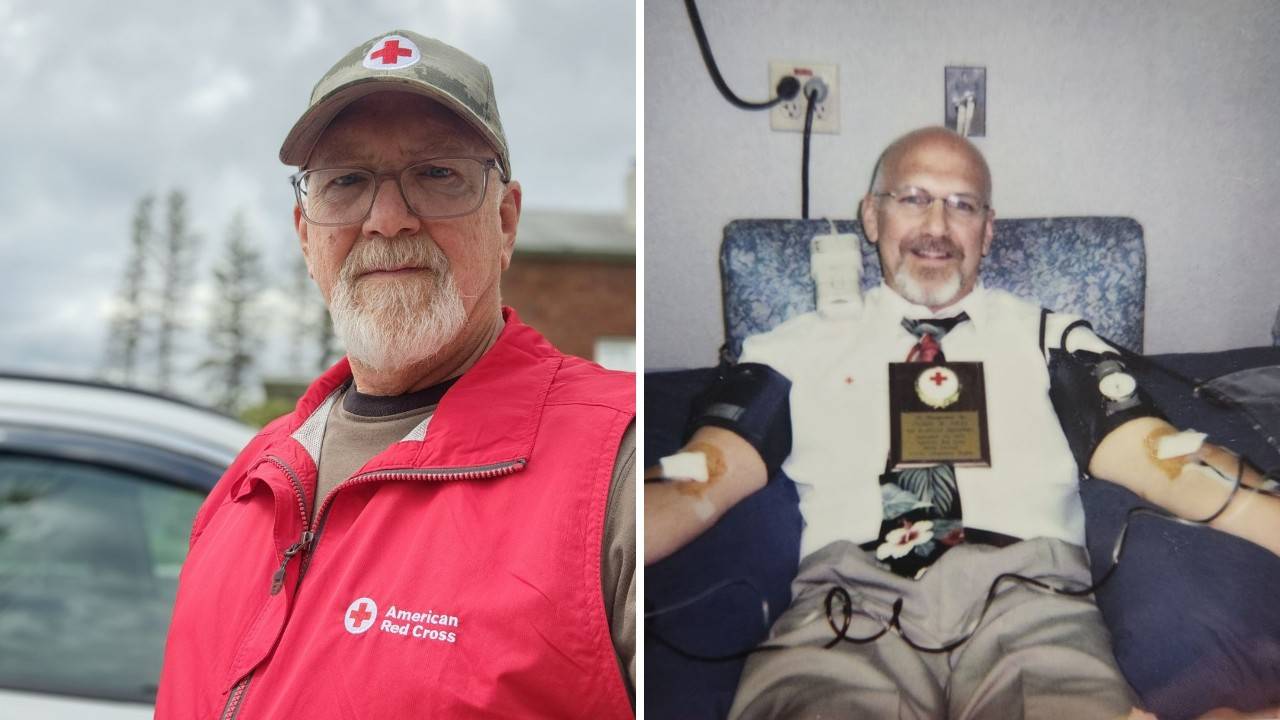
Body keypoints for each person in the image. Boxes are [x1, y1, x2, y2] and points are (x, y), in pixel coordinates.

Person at [645, 127, 1280, 719]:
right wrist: (588, 537)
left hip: (1029, 597)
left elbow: (1159, 452)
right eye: (914, 198)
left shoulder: (1052, 336)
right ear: (872, 214)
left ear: (988, 229)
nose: (937, 227)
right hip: (848, 602)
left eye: (963, 205)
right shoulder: (787, 347)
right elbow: (700, 472)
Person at [156, 30, 635, 719]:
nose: (386, 220)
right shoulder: (245, 485)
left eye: (436, 174)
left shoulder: (617, 470)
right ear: (305, 233)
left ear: (504, 222)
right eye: (347, 181)